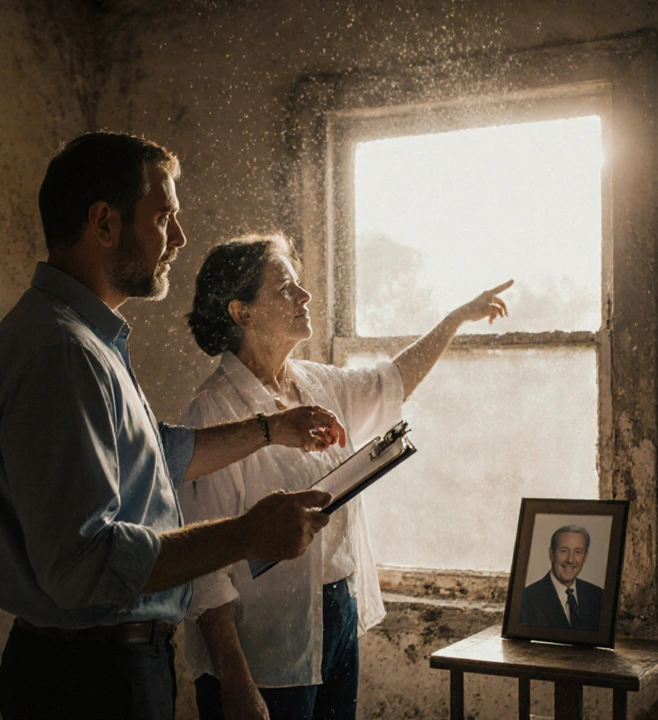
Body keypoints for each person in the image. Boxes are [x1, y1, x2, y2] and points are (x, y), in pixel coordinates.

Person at [0, 133, 355, 720]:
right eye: (164, 217)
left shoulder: (88, 341)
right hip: (86, 683)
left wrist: (270, 429)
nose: (177, 238)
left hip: (108, 666)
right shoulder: (61, 352)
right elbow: (87, 562)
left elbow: (155, 454)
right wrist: (247, 535)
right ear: (104, 222)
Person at [179, 233, 512, 720]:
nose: (304, 296)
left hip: (335, 615)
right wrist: (235, 678)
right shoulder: (214, 414)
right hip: (260, 641)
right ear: (241, 313)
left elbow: (392, 382)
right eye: (285, 288)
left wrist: (456, 318)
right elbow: (204, 568)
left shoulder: (315, 383)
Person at [519, 525, 604, 632]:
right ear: (551, 554)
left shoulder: (597, 595)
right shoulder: (527, 599)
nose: (570, 560)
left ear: (585, 557)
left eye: (578, 552)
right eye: (564, 551)